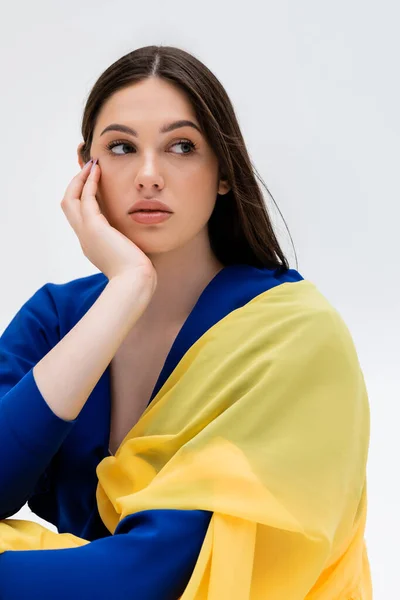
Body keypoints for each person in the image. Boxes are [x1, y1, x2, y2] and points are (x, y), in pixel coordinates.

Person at [0, 45, 372, 599]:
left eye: (181, 146)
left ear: (223, 172)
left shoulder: (294, 338)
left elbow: (159, 574)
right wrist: (125, 290)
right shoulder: (57, 319)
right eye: (122, 147)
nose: (149, 176)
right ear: (87, 169)